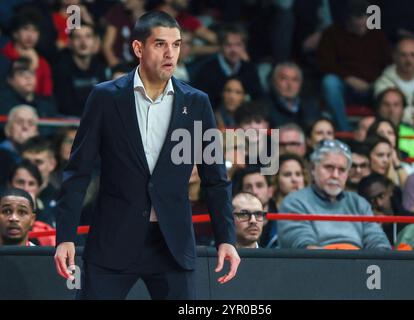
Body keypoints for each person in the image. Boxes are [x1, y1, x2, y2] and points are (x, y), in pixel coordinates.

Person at [53, 11, 240, 300]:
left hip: (172, 245)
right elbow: (78, 171)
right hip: (112, 241)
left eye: (176, 45)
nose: (170, 53)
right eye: (160, 44)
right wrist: (64, 236)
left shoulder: (197, 103)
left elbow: (215, 178)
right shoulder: (105, 97)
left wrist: (226, 239)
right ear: (138, 48)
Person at [278, 139, 391, 250]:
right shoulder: (294, 202)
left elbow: (378, 240)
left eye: (342, 170)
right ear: (313, 168)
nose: (335, 175)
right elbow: (303, 245)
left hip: (359, 265)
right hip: (316, 265)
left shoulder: (359, 203)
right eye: (329, 168)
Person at [317, 0, 391, 131]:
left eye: (366, 18)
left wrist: (375, 82)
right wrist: (348, 78)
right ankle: (345, 131)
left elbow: (388, 65)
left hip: (373, 87)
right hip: (346, 87)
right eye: (358, 18)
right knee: (329, 83)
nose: (363, 22)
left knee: (390, 85)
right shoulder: (332, 33)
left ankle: (382, 131)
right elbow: (325, 64)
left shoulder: (377, 35)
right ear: (348, 19)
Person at [193, 23, 263, 109]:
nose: (233, 50)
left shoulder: (250, 69)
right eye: (228, 45)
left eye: (238, 45)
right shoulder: (206, 71)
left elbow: (259, 101)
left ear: (244, 47)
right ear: (220, 46)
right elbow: (198, 108)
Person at [53, 22, 107, 117]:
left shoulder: (99, 66)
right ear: (70, 42)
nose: (83, 42)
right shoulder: (61, 68)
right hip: (70, 121)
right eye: (78, 37)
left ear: (95, 42)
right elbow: (65, 106)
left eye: (88, 37)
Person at [358, 173, 414, 248]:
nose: (379, 203)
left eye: (381, 196)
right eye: (372, 200)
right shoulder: (362, 225)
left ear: (390, 191)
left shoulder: (411, 220)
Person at [0, 11, 53, 97]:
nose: (30, 35)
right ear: (15, 33)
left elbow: (46, 95)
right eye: (25, 29)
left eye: (35, 31)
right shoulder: (3, 56)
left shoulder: (43, 63)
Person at [266, 62, 320, 129]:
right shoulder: (265, 106)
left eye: (295, 80)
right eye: (284, 79)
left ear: (301, 84)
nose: (290, 85)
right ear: (274, 81)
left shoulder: (310, 105)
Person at [375, 88, 414, 158]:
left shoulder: (410, 133)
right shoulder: (369, 128)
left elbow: (410, 159)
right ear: (378, 108)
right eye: (386, 104)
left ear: (403, 110)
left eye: (396, 105)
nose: (391, 110)